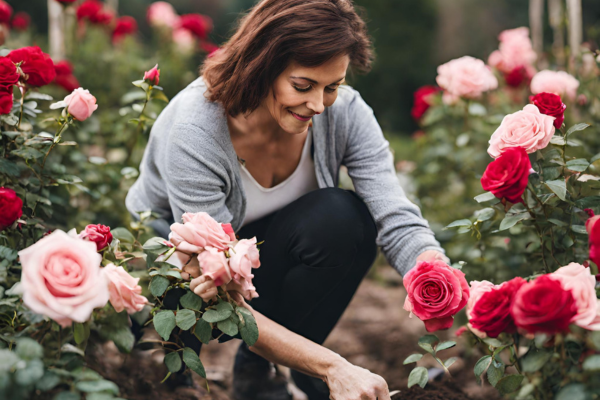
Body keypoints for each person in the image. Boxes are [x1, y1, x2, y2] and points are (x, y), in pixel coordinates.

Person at [126, 0, 448, 398]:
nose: (318, 104)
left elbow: (393, 211)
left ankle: (258, 370)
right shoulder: (196, 130)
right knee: (180, 297)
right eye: (302, 86)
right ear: (261, 67)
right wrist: (333, 367)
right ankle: (172, 364)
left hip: (264, 253)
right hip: (180, 264)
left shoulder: (344, 114)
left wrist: (438, 273)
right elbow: (222, 294)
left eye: (332, 86)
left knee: (345, 221)